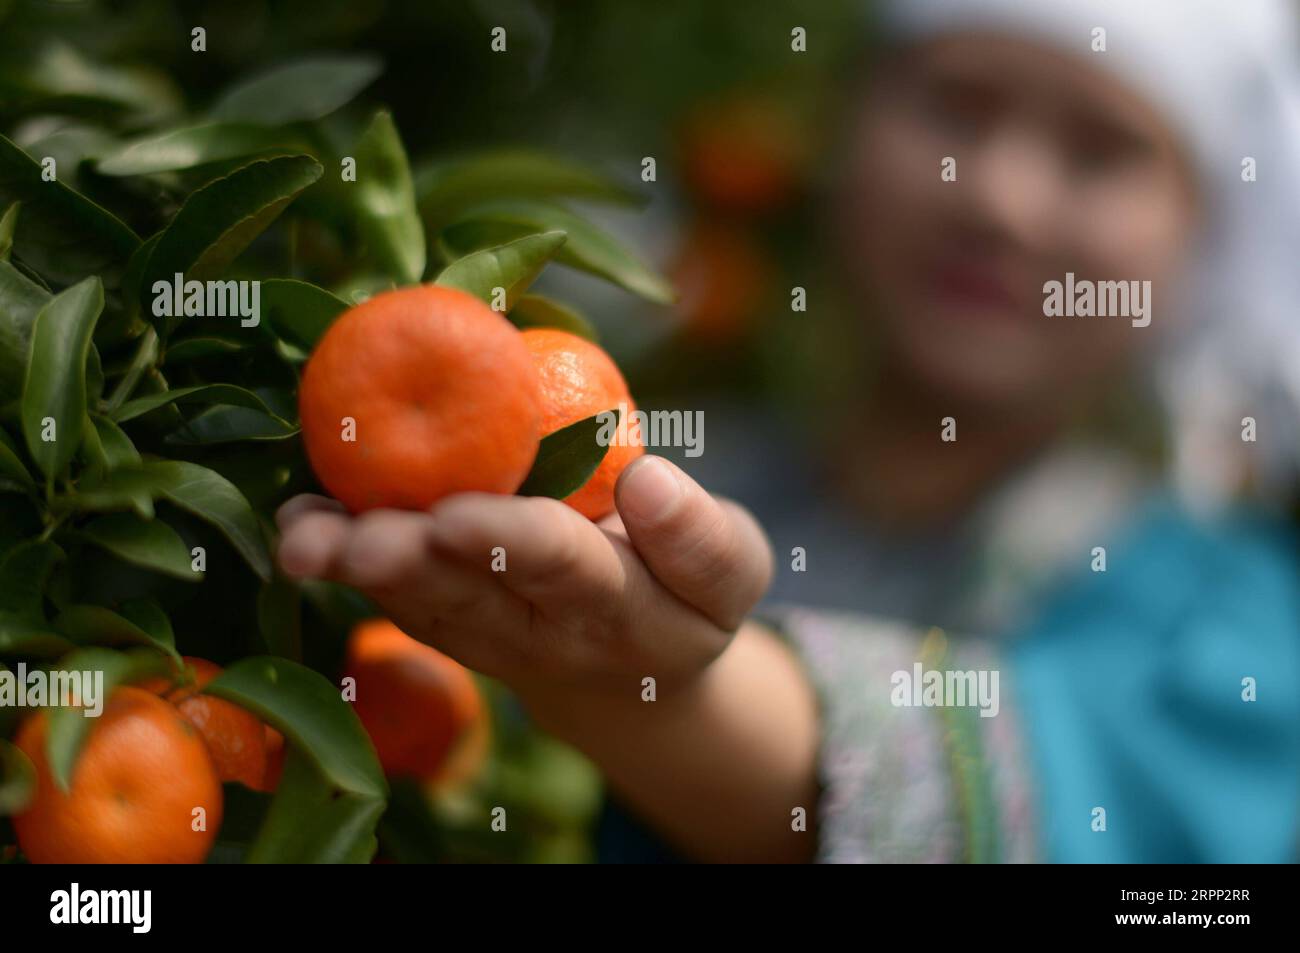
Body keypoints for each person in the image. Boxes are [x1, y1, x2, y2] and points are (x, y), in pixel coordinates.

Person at [276, 0, 1300, 862]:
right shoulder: (641, 471)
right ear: (846, 125)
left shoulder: (1230, 635)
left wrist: (642, 688)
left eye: (1099, 151)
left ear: (1200, 239)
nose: (1000, 198)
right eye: (956, 104)